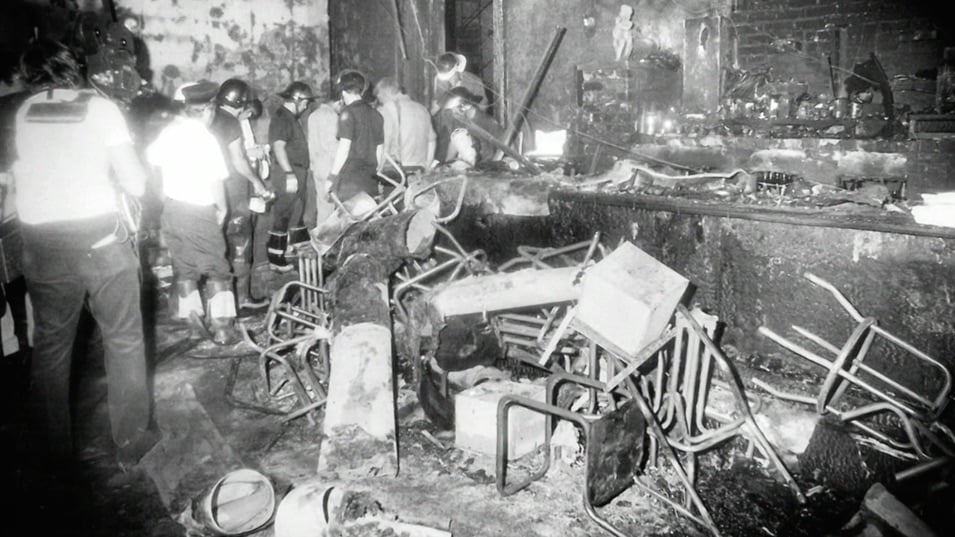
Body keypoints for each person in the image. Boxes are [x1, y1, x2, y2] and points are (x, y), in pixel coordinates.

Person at [10, 38, 156, 470]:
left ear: (29, 74)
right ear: (74, 66)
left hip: (41, 245)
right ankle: (132, 442)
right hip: (98, 243)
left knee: (51, 347)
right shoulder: (100, 107)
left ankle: (52, 456)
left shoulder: (18, 112)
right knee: (125, 339)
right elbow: (136, 182)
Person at [146, 80, 240, 345]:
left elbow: (154, 167)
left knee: (185, 269)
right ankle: (222, 329)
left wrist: (164, 200)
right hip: (199, 210)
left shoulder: (168, 133)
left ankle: (194, 327)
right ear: (209, 109)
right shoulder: (204, 138)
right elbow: (215, 181)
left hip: (172, 210)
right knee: (218, 270)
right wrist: (221, 208)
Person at [210, 78, 270, 313]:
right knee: (240, 245)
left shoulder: (210, 118)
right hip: (234, 192)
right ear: (240, 102)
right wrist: (259, 183)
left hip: (214, 193)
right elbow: (239, 162)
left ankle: (217, 303)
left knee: (219, 245)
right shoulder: (231, 124)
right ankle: (241, 298)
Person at [267, 81, 313, 272]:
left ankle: (298, 253)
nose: (306, 106)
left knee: (297, 213)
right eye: (305, 102)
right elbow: (278, 146)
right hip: (288, 173)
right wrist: (288, 173)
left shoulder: (290, 118)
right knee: (283, 214)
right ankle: (275, 260)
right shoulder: (282, 117)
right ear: (296, 99)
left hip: (297, 171)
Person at [328, 70, 384, 204]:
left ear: (342, 92)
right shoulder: (376, 114)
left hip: (350, 179)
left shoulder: (347, 113)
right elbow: (380, 149)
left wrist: (332, 177)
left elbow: (344, 149)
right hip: (370, 179)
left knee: (346, 222)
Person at [374, 76, 436, 175]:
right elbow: (432, 141)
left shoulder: (388, 108)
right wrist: (427, 167)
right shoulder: (422, 109)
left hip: (397, 169)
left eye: (381, 99)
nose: (381, 103)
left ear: (386, 94)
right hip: (419, 169)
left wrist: (379, 170)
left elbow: (386, 144)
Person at [433, 86, 504, 169]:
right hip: (470, 167)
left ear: (464, 107)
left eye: (454, 109)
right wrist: (447, 163)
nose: (453, 113)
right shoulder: (460, 119)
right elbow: (455, 140)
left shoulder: (488, 122)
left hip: (486, 169)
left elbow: (504, 147)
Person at [306, 93, 342, 226]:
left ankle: (320, 240)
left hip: (317, 167)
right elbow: (332, 145)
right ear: (339, 102)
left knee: (322, 206)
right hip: (330, 167)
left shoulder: (313, 115)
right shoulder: (331, 116)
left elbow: (311, 144)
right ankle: (328, 241)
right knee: (332, 210)